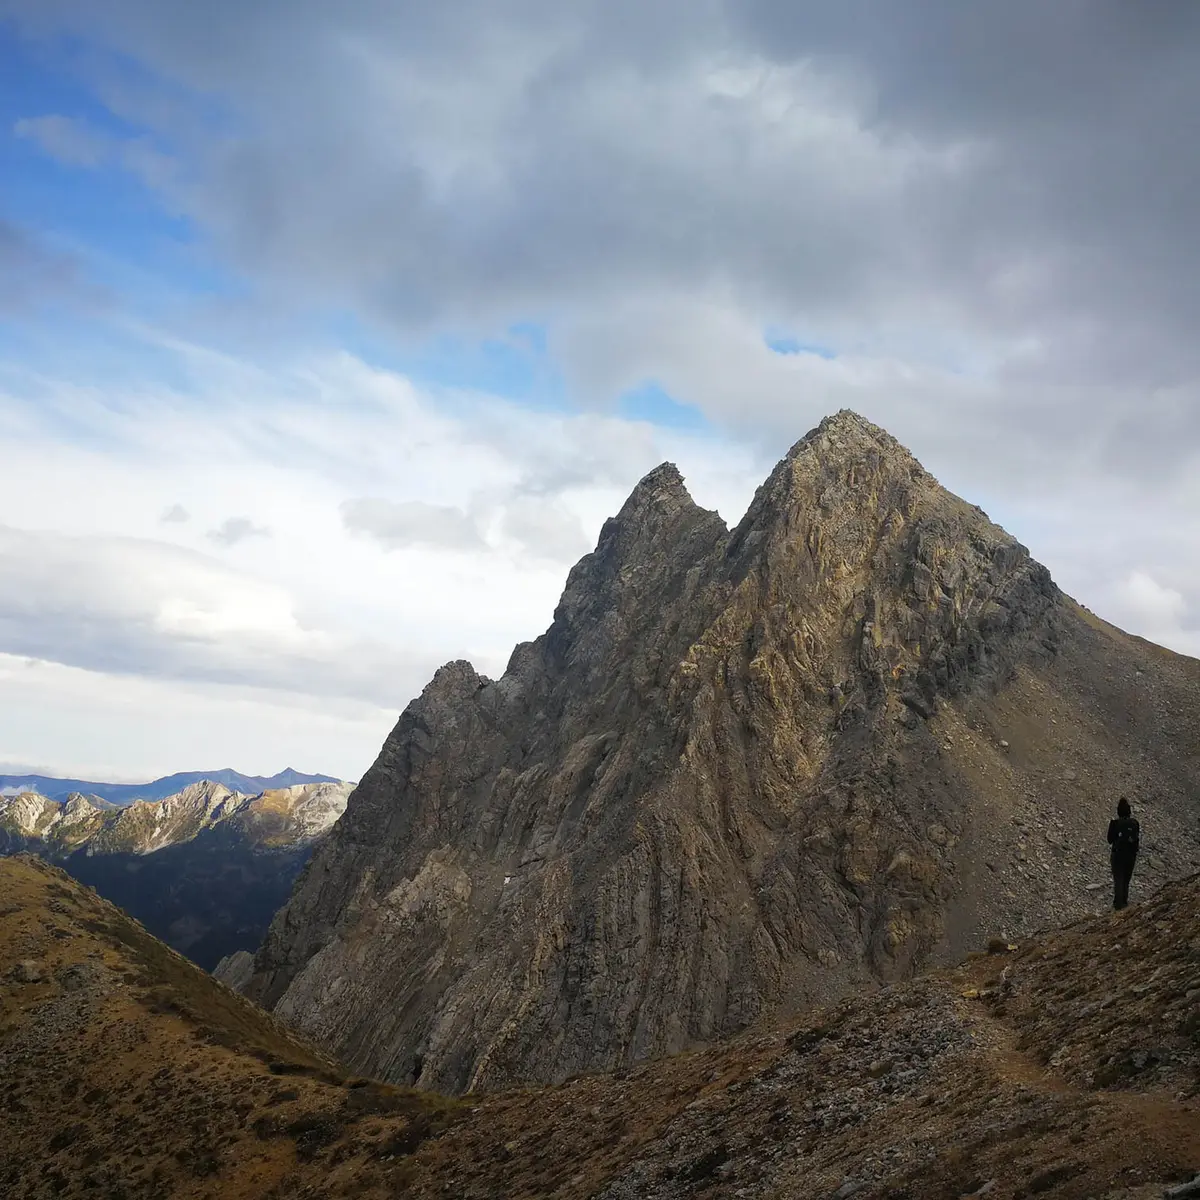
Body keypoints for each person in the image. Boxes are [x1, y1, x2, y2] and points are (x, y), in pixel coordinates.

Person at [1106, 797, 1140, 910]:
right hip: (1131, 856)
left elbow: (1110, 839)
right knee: (1126, 879)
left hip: (1118, 855)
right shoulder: (1135, 823)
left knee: (1118, 879)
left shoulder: (1115, 823)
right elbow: (1136, 839)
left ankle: (1118, 904)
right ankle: (1124, 902)